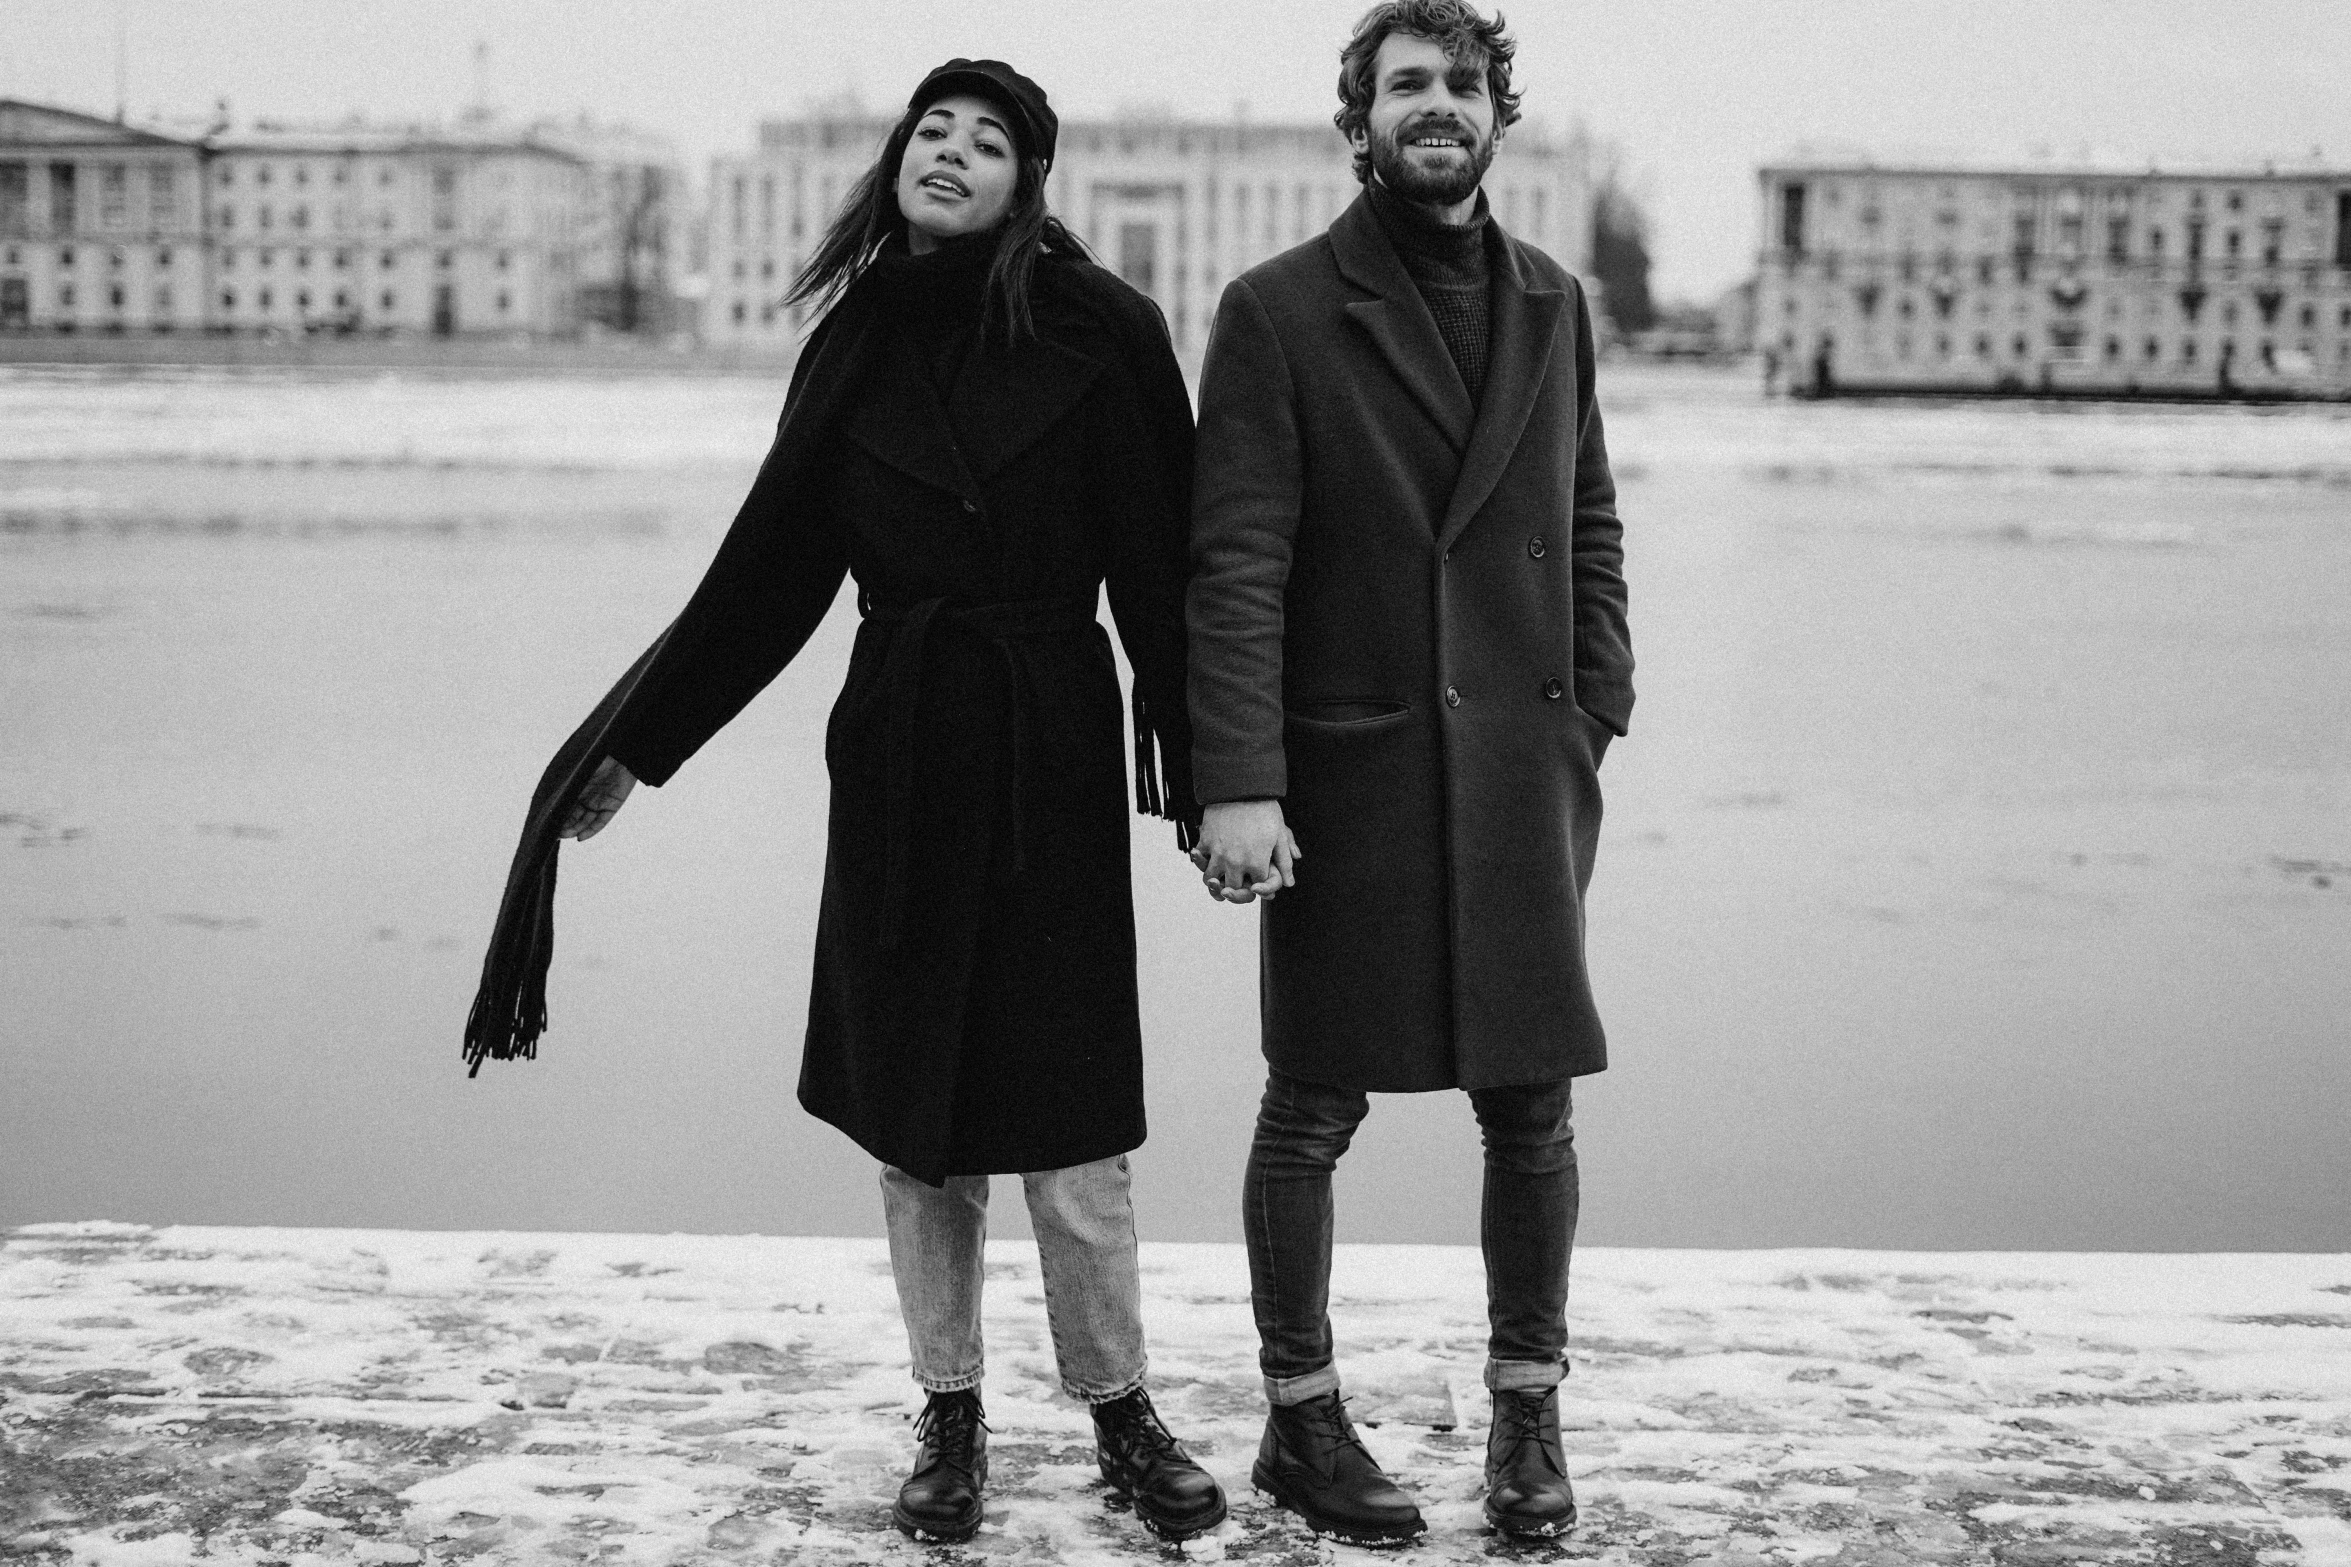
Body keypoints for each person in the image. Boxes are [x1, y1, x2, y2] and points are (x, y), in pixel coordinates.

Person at [464, 59, 1225, 1547]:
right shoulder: (857, 336)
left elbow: (1162, 571)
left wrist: (1205, 777)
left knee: (1071, 1109)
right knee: (918, 1104)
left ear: (1028, 177)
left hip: (1047, 733)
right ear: (896, 162)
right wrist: (637, 743)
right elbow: (768, 574)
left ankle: (1119, 1403)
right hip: (899, 742)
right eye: (929, 132)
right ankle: (948, 1405)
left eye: (984, 139)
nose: (949, 153)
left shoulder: (1107, 330)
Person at [1184, 1, 1634, 1547]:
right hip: (1350, 766)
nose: (1434, 105)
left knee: (1533, 1106)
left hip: (1518, 757)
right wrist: (1234, 777)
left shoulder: (1550, 298)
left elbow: (1585, 517)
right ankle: (1301, 1419)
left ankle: (1526, 1411)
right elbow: (1234, 564)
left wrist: (1593, 707)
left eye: (1460, 83)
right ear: (1355, 122)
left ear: (1496, 114)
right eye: (1404, 86)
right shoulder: (1278, 309)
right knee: (1310, 1104)